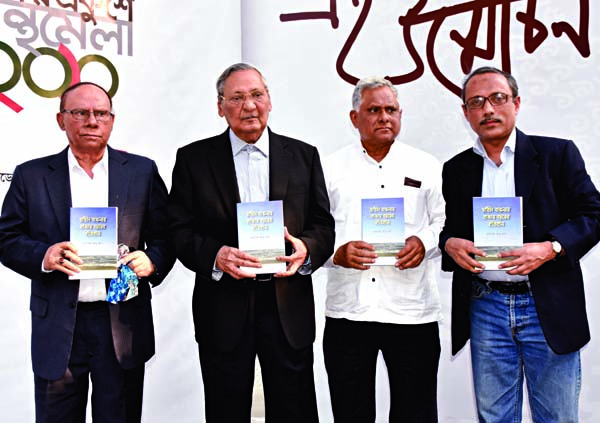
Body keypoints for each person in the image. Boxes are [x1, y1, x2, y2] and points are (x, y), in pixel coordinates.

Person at [167, 63, 335, 423]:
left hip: (287, 305)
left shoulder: (304, 156)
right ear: (220, 106)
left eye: (257, 95)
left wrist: (306, 249)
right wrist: (215, 255)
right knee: (226, 411)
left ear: (270, 100)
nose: (249, 106)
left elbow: (323, 225)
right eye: (237, 97)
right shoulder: (193, 159)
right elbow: (178, 230)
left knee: (296, 411)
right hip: (223, 308)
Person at [0, 81, 175, 422]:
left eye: (100, 113)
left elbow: (167, 237)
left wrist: (151, 260)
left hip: (120, 325)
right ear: (61, 119)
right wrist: (44, 256)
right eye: (80, 112)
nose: (91, 121)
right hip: (61, 326)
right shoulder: (31, 175)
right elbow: (6, 238)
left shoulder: (141, 172)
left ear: (111, 119)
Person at [439, 66, 600, 422]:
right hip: (487, 307)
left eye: (498, 98)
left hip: (546, 304)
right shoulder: (457, 169)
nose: (488, 110)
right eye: (477, 102)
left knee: (556, 417)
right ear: (466, 113)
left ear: (516, 102)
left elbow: (593, 214)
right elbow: (450, 228)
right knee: (494, 417)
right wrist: (449, 243)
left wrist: (550, 247)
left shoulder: (556, 154)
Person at [322, 76, 445, 422]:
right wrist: (337, 253)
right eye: (373, 110)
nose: (384, 117)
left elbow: (443, 223)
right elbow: (316, 230)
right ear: (354, 118)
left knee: (416, 414)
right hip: (350, 312)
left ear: (401, 114)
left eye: (391, 110)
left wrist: (425, 242)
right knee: (350, 413)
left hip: (411, 312)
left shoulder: (427, 166)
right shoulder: (330, 169)